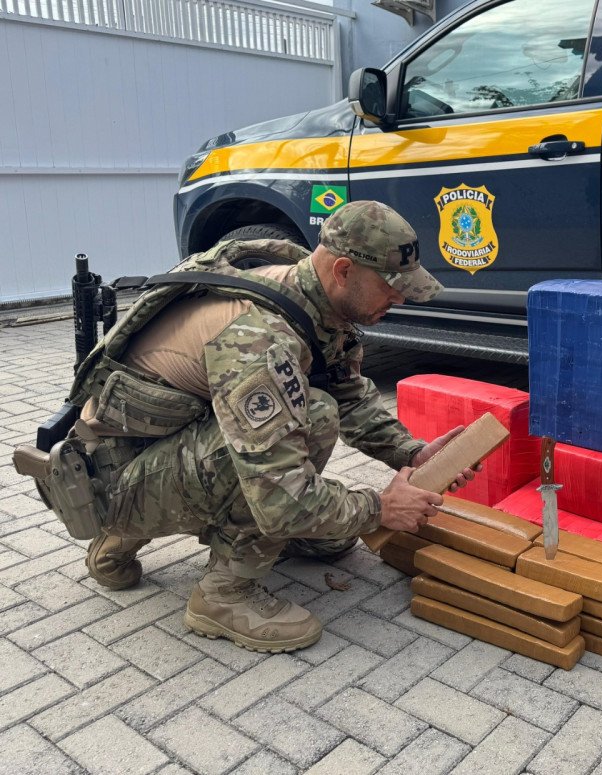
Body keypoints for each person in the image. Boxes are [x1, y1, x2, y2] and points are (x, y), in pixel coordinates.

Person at [81, 201, 475, 653]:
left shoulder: (312, 296)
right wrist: (379, 509)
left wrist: (411, 453)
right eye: (391, 286)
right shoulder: (259, 339)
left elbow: (346, 392)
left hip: (149, 457)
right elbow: (280, 497)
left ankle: (130, 534)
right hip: (113, 483)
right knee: (314, 417)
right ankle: (223, 594)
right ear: (344, 270)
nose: (400, 298)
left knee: (319, 425)